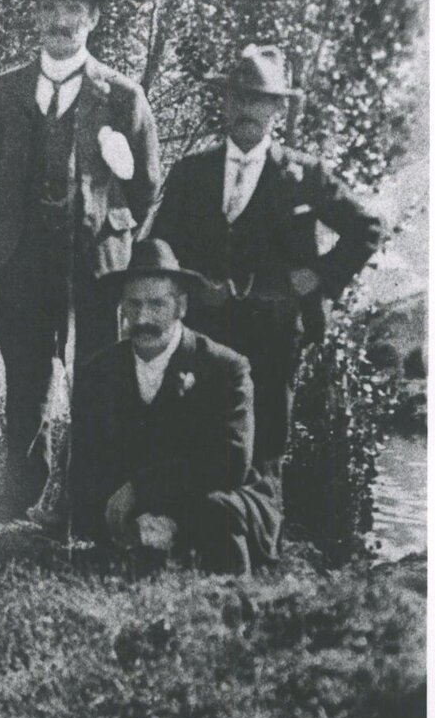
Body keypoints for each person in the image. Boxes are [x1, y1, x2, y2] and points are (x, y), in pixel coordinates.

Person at [0, 0, 160, 519]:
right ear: (37, 17)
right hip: (22, 260)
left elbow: (146, 186)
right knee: (25, 380)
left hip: (94, 265)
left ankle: (85, 503)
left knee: (96, 383)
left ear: (93, 19)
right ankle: (19, 500)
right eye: (51, 9)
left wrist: (108, 228)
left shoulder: (122, 96)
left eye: (74, 10)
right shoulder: (5, 90)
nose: (62, 21)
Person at [148, 44, 384, 473]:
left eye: (259, 99)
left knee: (266, 448)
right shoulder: (191, 172)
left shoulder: (304, 175)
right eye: (238, 97)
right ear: (224, 101)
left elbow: (366, 230)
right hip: (204, 331)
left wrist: (319, 276)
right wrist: (191, 287)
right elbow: (162, 247)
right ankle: (202, 534)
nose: (247, 109)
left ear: (277, 107)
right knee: (196, 437)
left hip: (274, 335)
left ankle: (261, 535)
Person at [68, 240, 282, 573]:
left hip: (210, 497)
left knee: (218, 512)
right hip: (131, 508)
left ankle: (223, 596)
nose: (143, 317)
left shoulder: (224, 367)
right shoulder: (98, 371)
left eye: (156, 304)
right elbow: (86, 460)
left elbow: (230, 461)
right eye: (133, 304)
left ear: (181, 306)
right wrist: (121, 512)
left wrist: (142, 492)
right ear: (121, 308)